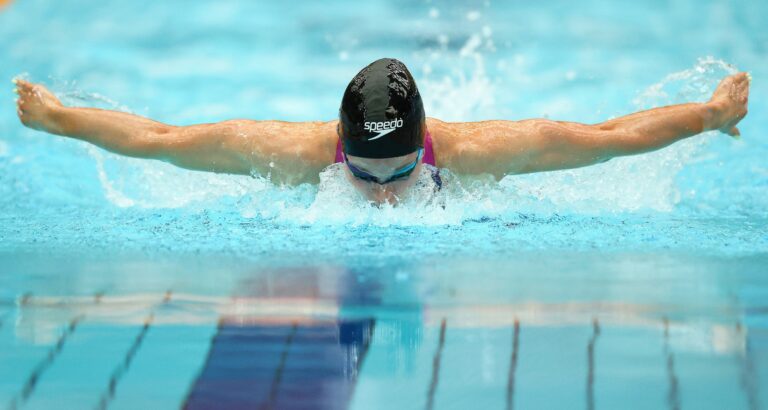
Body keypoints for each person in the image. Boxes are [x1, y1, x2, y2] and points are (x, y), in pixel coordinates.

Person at [14, 58, 750, 205]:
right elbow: (156, 139)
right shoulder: (289, 154)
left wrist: (711, 116)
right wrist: (56, 121)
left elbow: (613, 136)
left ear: (425, 150)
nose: (385, 196)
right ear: (341, 151)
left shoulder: (484, 153)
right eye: (365, 176)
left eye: (401, 174)